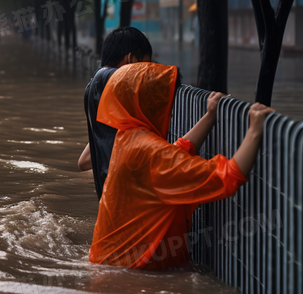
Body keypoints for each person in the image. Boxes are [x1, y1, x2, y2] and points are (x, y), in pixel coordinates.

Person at [89, 62, 274, 270]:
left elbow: (174, 155)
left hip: (109, 267)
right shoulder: (149, 152)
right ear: (150, 103)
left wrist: (209, 117)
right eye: (165, 99)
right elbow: (228, 176)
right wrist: (256, 128)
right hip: (130, 276)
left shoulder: (128, 137)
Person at [78, 26, 153, 200]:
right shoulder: (113, 81)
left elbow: (84, 162)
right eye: (145, 65)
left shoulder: (94, 85)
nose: (147, 72)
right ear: (131, 58)